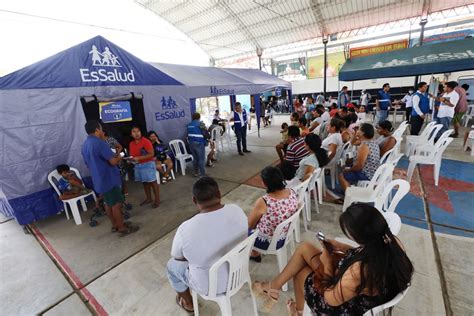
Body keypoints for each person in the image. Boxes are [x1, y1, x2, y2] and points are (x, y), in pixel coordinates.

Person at [252, 203, 414, 315]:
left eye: (351, 234)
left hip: (343, 307)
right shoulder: (390, 241)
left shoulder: (361, 270)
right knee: (305, 248)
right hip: (356, 289)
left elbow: (331, 300)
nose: (348, 237)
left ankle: (293, 307)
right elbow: (367, 253)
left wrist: (328, 263)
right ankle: (274, 288)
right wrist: (341, 247)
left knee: (301, 273)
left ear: (363, 237)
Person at [166, 177, 247, 313]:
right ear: (219, 194)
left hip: (209, 286)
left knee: (171, 265)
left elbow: (177, 257)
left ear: (194, 200)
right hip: (239, 273)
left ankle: (188, 303)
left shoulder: (186, 229)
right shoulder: (236, 210)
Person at [81, 121, 138, 236]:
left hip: (99, 180)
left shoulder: (85, 145)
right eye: (101, 129)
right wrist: (119, 156)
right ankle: (122, 228)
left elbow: (88, 163)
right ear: (97, 130)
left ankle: (115, 225)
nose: (102, 132)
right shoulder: (100, 143)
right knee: (116, 204)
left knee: (108, 203)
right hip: (109, 179)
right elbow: (112, 162)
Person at [248, 167, 298, 262]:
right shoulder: (291, 192)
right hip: (284, 235)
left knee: (241, 231)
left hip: (268, 242)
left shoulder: (264, 201)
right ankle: (254, 252)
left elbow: (249, 225)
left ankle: (254, 253)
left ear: (264, 183)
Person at [338, 123, 381, 194]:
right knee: (347, 165)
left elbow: (359, 166)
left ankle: (349, 195)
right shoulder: (372, 141)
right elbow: (352, 143)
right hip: (373, 171)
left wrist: (348, 169)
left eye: (358, 130)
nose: (357, 131)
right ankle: (348, 187)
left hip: (367, 174)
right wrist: (356, 134)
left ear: (363, 133)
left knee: (341, 174)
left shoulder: (364, 146)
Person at [129, 126, 160, 208]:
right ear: (131, 134)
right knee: (145, 182)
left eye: (138, 131)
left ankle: (157, 200)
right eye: (134, 132)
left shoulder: (146, 141)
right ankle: (149, 198)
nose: (136, 133)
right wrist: (130, 160)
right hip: (138, 165)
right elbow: (133, 155)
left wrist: (138, 158)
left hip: (148, 164)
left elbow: (151, 154)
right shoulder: (131, 144)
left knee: (153, 182)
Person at [187, 112, 208, 177]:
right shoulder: (200, 124)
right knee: (201, 159)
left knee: (195, 158)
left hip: (191, 143)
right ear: (199, 117)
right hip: (199, 143)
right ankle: (203, 174)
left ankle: (196, 172)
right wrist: (207, 139)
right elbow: (205, 133)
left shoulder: (189, 124)